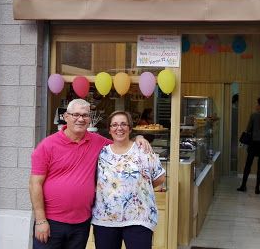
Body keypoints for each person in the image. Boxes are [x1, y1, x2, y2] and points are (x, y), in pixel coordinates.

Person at [29, 99, 151, 249]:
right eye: (76, 114)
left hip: (81, 223)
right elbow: (35, 183)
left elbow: (120, 143)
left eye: (85, 115)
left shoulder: (98, 142)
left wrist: (139, 138)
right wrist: (40, 220)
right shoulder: (47, 145)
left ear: (89, 118)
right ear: (66, 117)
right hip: (51, 222)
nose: (80, 119)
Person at [91, 111, 166, 249]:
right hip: (105, 220)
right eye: (114, 125)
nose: (119, 128)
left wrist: (139, 186)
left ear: (130, 128)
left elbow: (159, 177)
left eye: (123, 124)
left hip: (139, 219)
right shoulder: (101, 153)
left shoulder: (143, 150)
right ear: (109, 129)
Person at [237, 97, 260, 194]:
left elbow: (248, 129)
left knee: (248, 165)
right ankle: (257, 188)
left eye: (257, 104)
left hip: (253, 143)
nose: (256, 106)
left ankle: (243, 185)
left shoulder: (254, 115)